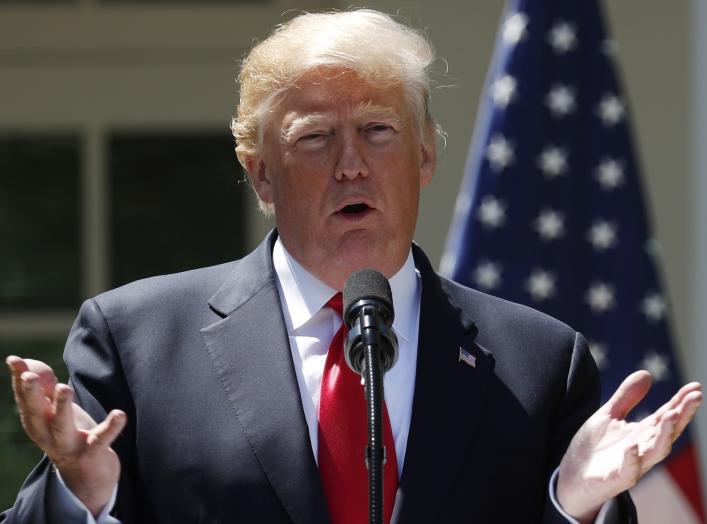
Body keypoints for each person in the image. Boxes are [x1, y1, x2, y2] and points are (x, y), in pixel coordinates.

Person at [2, 9, 702, 524]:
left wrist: (571, 506)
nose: (350, 165)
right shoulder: (139, 340)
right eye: (314, 139)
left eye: (378, 130)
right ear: (261, 175)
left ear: (425, 157)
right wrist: (81, 493)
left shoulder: (539, 359)